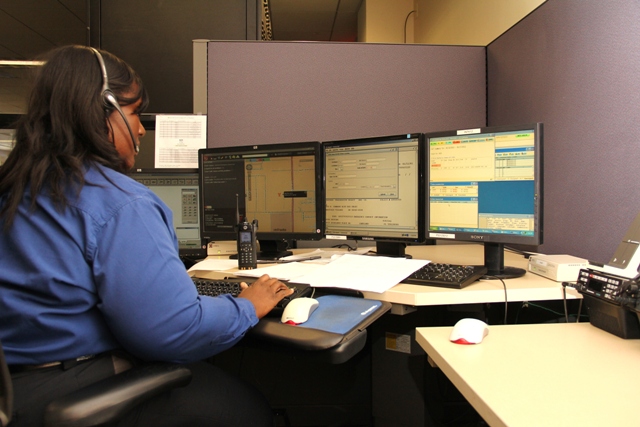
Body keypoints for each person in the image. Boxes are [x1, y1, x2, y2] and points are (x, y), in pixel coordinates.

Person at [0, 45, 293, 426]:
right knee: (250, 410)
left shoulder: (15, 189)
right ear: (101, 112)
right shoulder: (120, 203)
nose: (140, 128)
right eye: (135, 113)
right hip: (77, 388)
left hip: (15, 391)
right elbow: (174, 332)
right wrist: (247, 306)